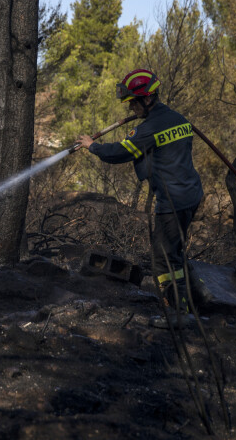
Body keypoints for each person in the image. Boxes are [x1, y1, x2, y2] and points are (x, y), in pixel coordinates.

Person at [76, 69, 203, 325]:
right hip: (191, 196)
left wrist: (93, 146)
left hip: (173, 202)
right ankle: (194, 300)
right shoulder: (178, 119)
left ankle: (179, 312)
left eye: (133, 102)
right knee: (175, 253)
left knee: (162, 260)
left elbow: (119, 153)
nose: (131, 108)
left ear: (147, 99)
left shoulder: (149, 129)